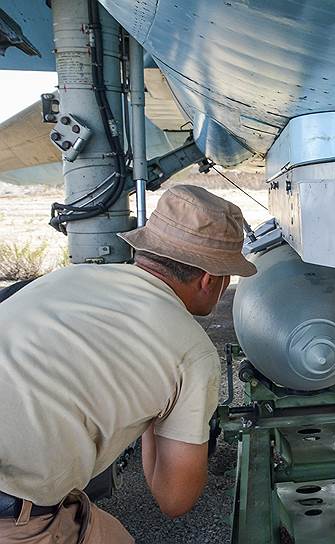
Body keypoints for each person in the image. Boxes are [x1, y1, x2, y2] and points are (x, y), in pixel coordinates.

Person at [0, 185, 256, 542]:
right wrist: (160, 414)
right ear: (210, 279)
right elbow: (174, 499)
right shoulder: (191, 352)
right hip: (14, 508)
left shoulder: (66, 277)